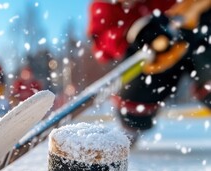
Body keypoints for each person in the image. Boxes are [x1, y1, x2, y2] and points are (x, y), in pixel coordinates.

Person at [88, 0, 211, 144]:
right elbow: (102, 46)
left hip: (194, 44)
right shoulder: (105, 6)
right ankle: (131, 123)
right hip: (151, 67)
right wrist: (131, 33)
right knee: (134, 89)